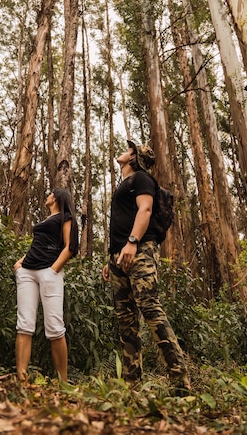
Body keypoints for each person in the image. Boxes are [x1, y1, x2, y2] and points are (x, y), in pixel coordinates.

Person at [102, 140, 190, 392]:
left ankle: (180, 380)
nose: (123, 150)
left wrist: (132, 243)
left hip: (139, 250)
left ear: (133, 158)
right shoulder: (124, 183)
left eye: (128, 149)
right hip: (120, 255)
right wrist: (112, 258)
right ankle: (132, 385)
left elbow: (146, 209)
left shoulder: (141, 178)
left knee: (150, 308)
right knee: (125, 318)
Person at [13, 187, 78, 382]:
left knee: (55, 327)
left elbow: (70, 248)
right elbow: (38, 245)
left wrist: (53, 270)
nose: (47, 195)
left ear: (57, 198)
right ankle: (22, 378)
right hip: (27, 272)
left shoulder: (66, 217)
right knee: (24, 324)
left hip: (49, 272)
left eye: (50, 193)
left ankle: (62, 382)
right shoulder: (46, 220)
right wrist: (20, 262)